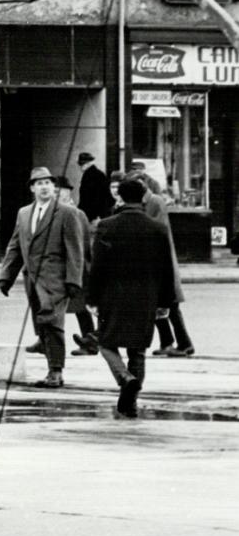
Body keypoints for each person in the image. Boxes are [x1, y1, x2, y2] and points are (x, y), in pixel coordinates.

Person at [87, 175, 180, 418]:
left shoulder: (106, 226)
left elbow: (97, 266)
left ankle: (124, 378)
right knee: (137, 350)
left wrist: (92, 297)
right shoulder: (157, 228)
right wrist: (165, 302)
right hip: (146, 296)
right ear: (142, 197)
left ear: (120, 196)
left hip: (112, 295)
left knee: (106, 342)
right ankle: (131, 402)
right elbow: (166, 268)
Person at [0, 166, 87, 388]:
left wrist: (74, 280)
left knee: (53, 323)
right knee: (43, 324)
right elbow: (16, 246)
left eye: (48, 183)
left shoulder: (66, 212)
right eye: (39, 183)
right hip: (32, 280)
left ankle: (55, 372)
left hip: (56, 279)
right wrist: (6, 276)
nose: (44, 187)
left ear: (54, 187)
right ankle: (51, 366)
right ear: (32, 188)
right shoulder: (24, 213)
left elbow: (75, 249)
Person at [128, 168, 195, 357]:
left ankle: (184, 344)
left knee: (170, 305)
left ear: (143, 183)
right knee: (158, 304)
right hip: (155, 261)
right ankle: (168, 341)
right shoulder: (144, 201)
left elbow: (157, 229)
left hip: (159, 261)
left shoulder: (154, 201)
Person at [55, 176, 101, 357]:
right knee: (75, 306)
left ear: (68, 193)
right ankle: (89, 340)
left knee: (82, 306)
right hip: (67, 266)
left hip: (77, 265)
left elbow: (82, 243)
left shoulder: (75, 213)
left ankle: (90, 341)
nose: (58, 194)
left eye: (62, 191)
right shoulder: (58, 212)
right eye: (56, 191)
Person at [76, 152, 111, 224]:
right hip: (98, 214)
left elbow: (87, 199)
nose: (81, 167)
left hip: (92, 216)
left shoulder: (88, 176)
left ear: (88, 163)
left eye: (82, 164)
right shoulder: (99, 174)